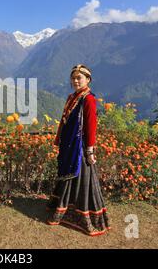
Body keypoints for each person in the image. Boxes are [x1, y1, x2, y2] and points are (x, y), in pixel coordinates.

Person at [46, 64, 110, 236]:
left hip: (79, 148)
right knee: (66, 174)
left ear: (88, 80)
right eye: (73, 78)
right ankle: (64, 207)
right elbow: (64, 120)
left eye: (79, 78)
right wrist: (59, 139)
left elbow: (90, 126)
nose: (75, 81)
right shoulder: (72, 97)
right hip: (68, 145)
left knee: (81, 177)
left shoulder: (88, 99)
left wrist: (89, 150)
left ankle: (83, 214)